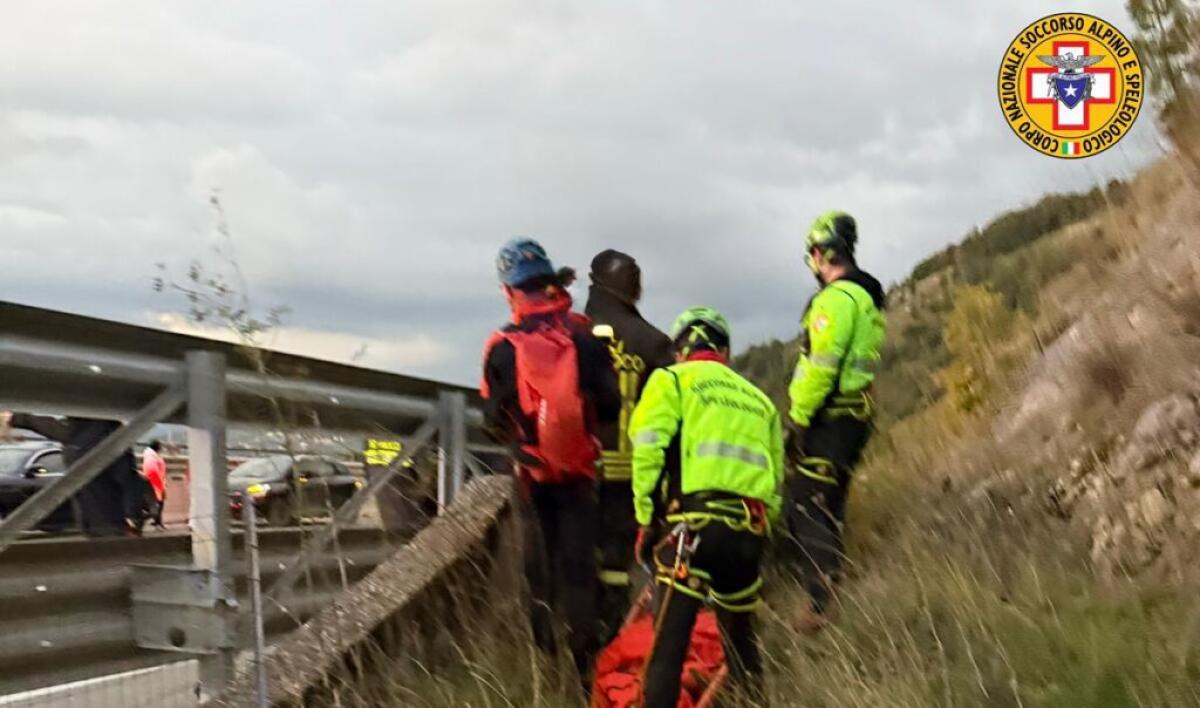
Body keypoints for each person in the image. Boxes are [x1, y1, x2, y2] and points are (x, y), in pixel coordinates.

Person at [480, 237, 620, 688]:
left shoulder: (502, 347)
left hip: (531, 476)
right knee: (580, 568)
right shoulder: (584, 337)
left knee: (539, 572)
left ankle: (545, 670)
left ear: (509, 290)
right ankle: (585, 673)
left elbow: (490, 420)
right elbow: (612, 405)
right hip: (579, 475)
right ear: (550, 280)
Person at [629, 307, 783, 708]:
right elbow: (776, 485)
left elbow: (646, 451)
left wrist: (646, 520)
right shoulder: (760, 401)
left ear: (680, 350)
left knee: (667, 652)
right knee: (742, 650)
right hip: (748, 536)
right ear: (725, 351)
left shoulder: (671, 381)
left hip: (691, 533)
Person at [784, 210, 887, 632]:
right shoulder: (865, 298)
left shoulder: (836, 300)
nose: (812, 261)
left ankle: (822, 600)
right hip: (854, 416)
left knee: (803, 503)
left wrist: (797, 419)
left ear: (824, 251)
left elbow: (820, 367)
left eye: (813, 252)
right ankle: (833, 591)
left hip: (830, 419)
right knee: (831, 502)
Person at [583, 249, 674, 641]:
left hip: (576, 471)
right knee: (619, 562)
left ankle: (573, 646)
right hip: (633, 474)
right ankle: (616, 636)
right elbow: (673, 416)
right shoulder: (653, 342)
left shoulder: (570, 333)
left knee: (576, 559)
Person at [5, 413, 149, 536]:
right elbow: (52, 427)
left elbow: (128, 479)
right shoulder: (85, 431)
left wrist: (132, 514)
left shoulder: (101, 433)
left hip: (110, 520)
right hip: (93, 518)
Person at [142, 440, 168, 529]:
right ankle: (140, 520)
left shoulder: (153, 455)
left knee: (158, 504)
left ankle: (157, 521)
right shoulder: (152, 456)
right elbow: (152, 471)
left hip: (156, 482)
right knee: (156, 505)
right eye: (160, 446)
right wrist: (160, 485)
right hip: (155, 483)